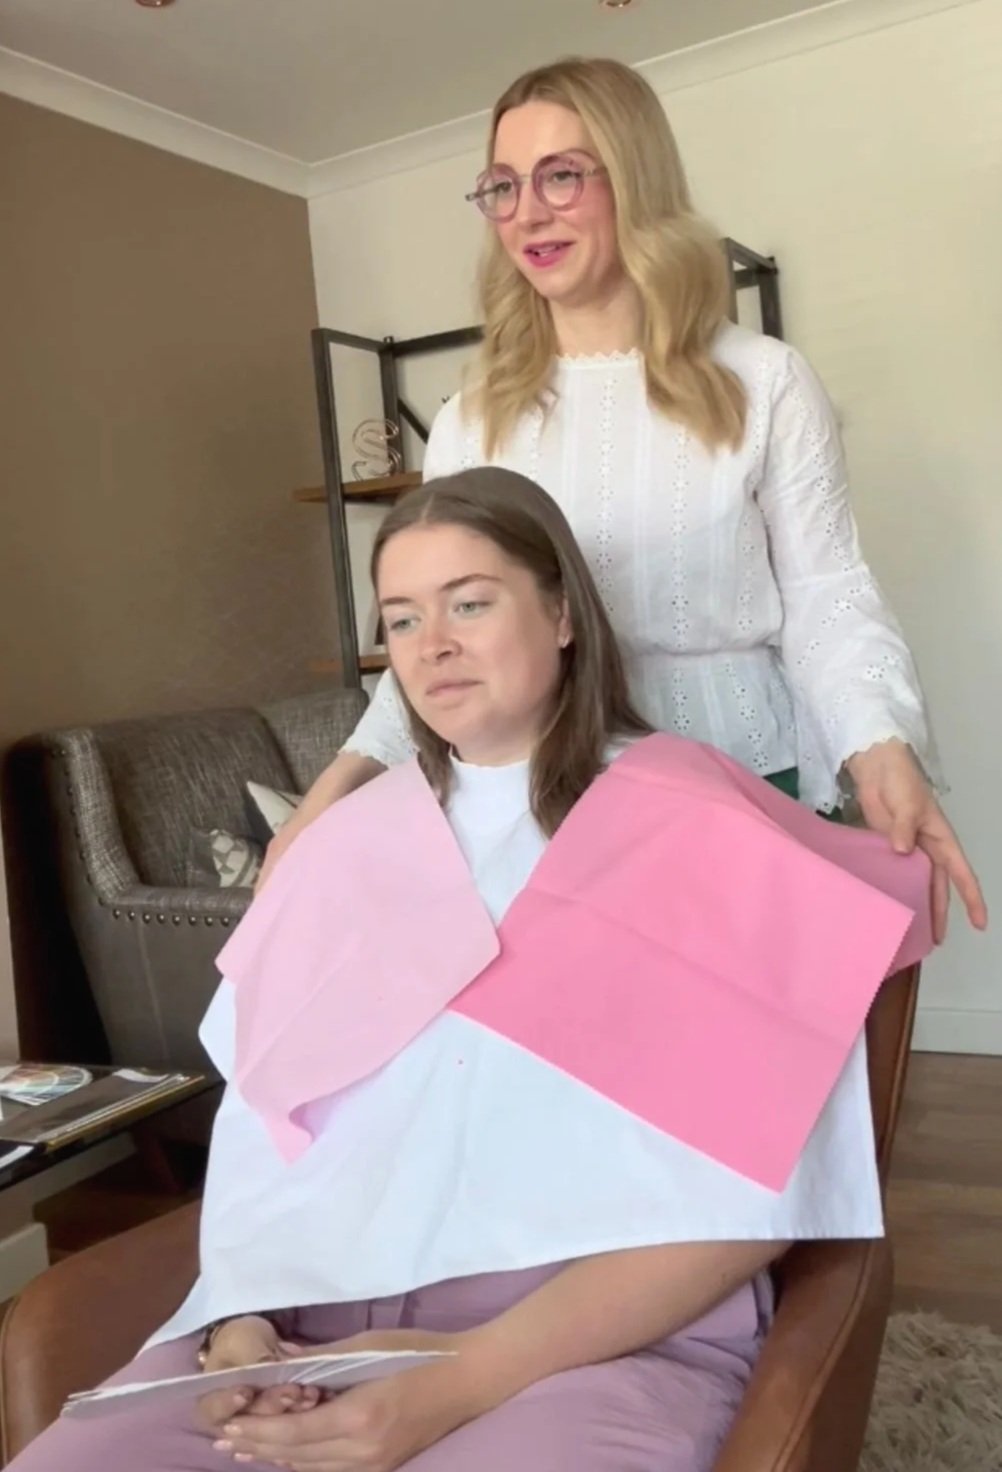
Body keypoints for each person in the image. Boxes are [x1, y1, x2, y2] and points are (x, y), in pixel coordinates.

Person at [7, 469, 932, 1472]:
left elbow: (754, 1202)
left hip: (589, 1341)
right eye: (403, 619)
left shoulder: (698, 823)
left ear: (563, 615)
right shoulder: (347, 845)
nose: (433, 644)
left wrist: (452, 1383)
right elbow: (260, 1138)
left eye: (471, 603)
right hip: (306, 1322)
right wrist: (237, 1325)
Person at [260, 56, 985, 940]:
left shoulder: (763, 382)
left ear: (635, 180)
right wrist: (328, 797)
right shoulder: (472, 420)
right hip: (555, 814)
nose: (528, 212)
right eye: (503, 186)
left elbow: (827, 598)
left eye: (562, 175)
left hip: (749, 790)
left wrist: (879, 745)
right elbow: (436, 640)